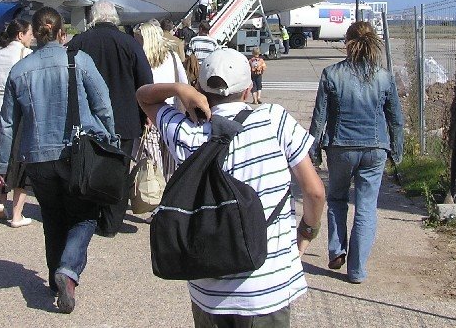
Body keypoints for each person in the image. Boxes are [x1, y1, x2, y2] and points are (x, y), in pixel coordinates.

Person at [136, 48, 326, 327]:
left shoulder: (185, 133)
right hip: (267, 291)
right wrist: (307, 232)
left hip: (209, 294)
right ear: (248, 91)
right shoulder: (275, 120)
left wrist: (179, 89)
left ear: (200, 89)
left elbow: (143, 96)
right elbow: (314, 191)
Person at [0, 7, 116, 313]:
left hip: (37, 156)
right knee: (85, 215)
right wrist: (110, 139)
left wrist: (1, 165)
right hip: (76, 154)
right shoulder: (79, 61)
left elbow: (8, 123)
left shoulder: (20, 71)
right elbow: (103, 105)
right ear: (61, 31)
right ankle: (68, 271)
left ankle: (55, 277)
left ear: (33, 33)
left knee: (52, 218)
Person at [308, 20, 404, 284]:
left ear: (347, 43)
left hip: (340, 146)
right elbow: (395, 118)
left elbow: (319, 119)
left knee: (337, 199)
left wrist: (313, 151)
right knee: (366, 207)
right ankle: (357, 269)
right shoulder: (384, 76)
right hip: (375, 147)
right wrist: (397, 150)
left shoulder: (331, 74)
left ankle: (337, 249)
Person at [67, 1, 154, 237]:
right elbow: (145, 80)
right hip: (124, 119)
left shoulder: (80, 42)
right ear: (114, 18)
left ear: (92, 17)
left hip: (88, 119)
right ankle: (111, 224)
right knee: (120, 171)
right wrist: (147, 112)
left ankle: (87, 217)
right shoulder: (129, 43)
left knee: (87, 167)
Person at [0, 19, 34, 228]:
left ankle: (1, 201)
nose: (32, 37)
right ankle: (17, 213)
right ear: (20, 35)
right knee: (19, 158)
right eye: (29, 33)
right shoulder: (25, 55)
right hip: (16, 109)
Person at [135, 20, 187, 181]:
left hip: (149, 115)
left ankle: (155, 196)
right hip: (171, 114)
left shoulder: (140, 60)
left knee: (152, 163)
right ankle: (168, 196)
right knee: (170, 162)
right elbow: (184, 84)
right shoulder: (172, 57)